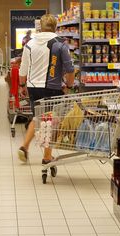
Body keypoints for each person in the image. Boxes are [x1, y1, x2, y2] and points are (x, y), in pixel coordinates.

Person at [17, 14, 75, 165]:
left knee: (38, 117)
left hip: (33, 87)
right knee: (49, 120)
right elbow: (70, 70)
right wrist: (68, 86)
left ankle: (25, 146)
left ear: (40, 27)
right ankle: (47, 157)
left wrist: (22, 86)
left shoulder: (29, 44)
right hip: (52, 88)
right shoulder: (60, 44)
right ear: (55, 27)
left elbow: (23, 68)